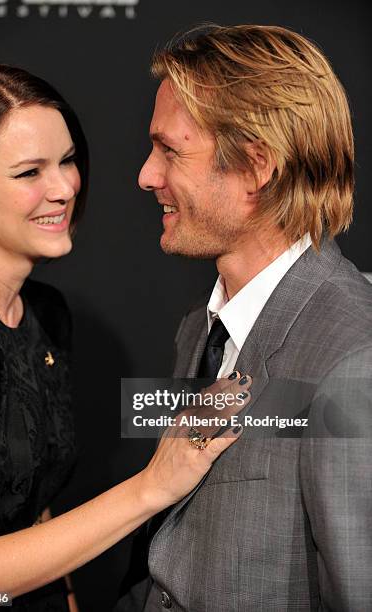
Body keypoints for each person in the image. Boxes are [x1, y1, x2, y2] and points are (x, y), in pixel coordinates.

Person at [0, 63, 251, 612]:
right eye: (28, 173)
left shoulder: (44, 313)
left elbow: (30, 506)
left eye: (66, 161)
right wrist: (152, 487)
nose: (63, 188)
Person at [118, 24, 372, 611]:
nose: (146, 176)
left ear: (257, 169)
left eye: (170, 150)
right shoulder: (199, 330)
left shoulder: (354, 359)